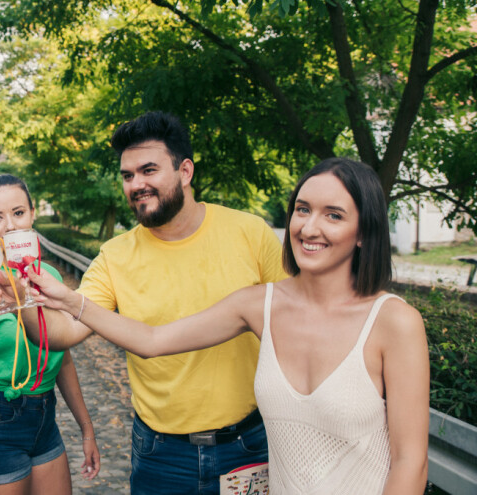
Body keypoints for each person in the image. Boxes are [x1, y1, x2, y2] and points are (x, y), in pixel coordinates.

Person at [22, 157, 430, 494]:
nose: (309, 227)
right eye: (302, 210)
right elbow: (152, 339)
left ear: (363, 232)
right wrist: (70, 301)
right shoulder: (259, 304)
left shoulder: (394, 322)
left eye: (334, 215)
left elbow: (411, 462)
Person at [0, 111, 288, 493]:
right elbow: (60, 334)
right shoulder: (115, 256)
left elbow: (293, 327)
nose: (136, 184)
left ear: (185, 171)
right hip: (161, 453)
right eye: (128, 176)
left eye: (148, 170)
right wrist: (23, 297)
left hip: (248, 446)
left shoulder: (250, 233)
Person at [0, 174, 100, 494]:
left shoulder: (49, 276)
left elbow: (61, 357)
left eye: (18, 213)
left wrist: (86, 428)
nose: (10, 226)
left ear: (32, 213)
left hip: (44, 420)